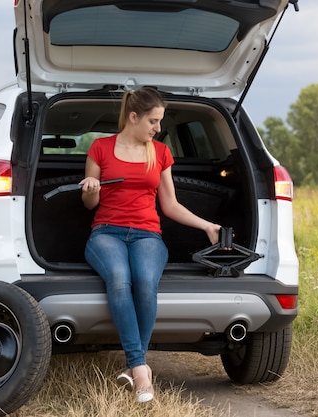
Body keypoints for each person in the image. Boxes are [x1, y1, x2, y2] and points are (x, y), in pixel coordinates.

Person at [79, 87, 223, 403]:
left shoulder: (159, 153)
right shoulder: (100, 148)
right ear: (133, 117)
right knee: (119, 279)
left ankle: (135, 365)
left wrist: (207, 225)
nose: (158, 128)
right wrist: (91, 188)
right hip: (105, 233)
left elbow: (170, 205)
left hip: (147, 235)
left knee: (145, 282)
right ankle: (142, 370)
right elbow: (90, 204)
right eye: (153, 121)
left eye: (160, 122)